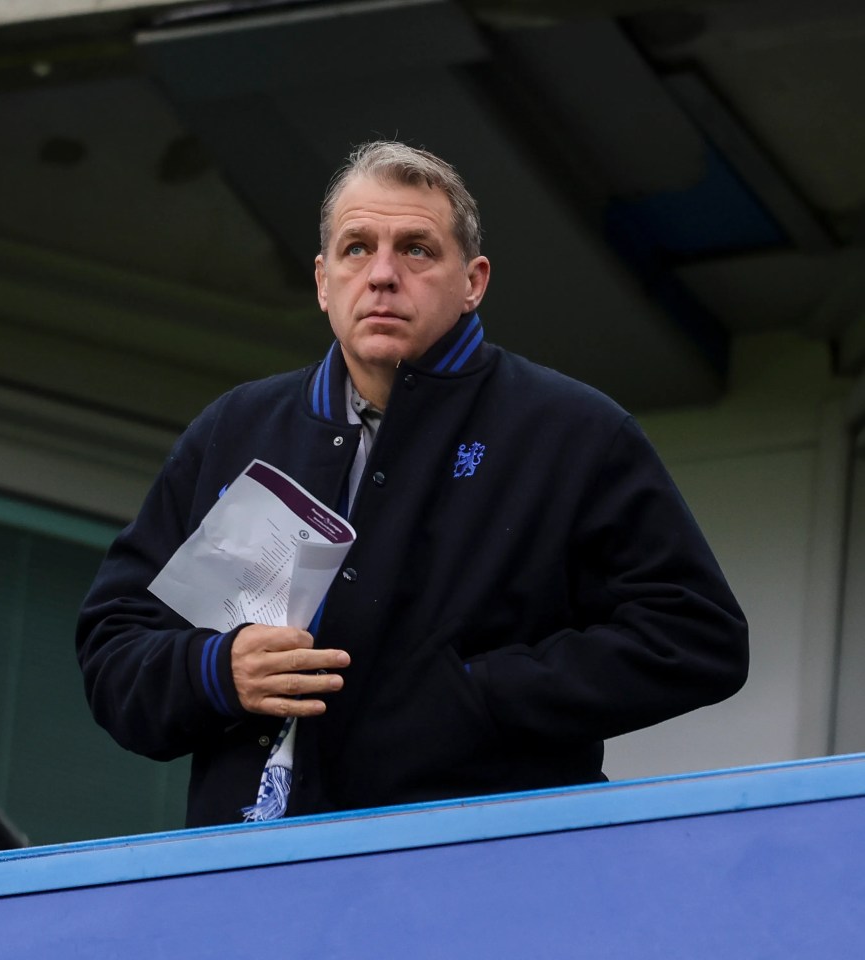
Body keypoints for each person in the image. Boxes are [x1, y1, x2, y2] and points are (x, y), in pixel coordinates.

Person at [77, 141, 748, 827]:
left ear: (473, 281)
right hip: (255, 886)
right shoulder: (237, 430)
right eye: (356, 248)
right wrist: (218, 671)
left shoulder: (572, 432)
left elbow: (695, 638)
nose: (383, 275)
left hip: (480, 876)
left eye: (417, 250)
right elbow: (115, 653)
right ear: (321, 280)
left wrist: (473, 694)